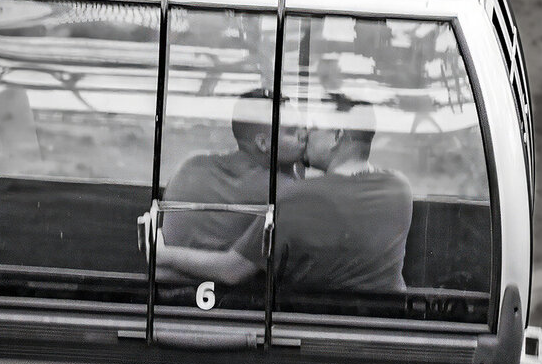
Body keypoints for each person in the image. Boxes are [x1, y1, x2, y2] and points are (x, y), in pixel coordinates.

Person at [155, 109, 413, 295]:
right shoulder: (400, 186)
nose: (306, 135)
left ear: (337, 137)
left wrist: (163, 255)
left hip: (314, 326)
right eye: (297, 130)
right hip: (384, 318)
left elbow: (232, 270)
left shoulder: (298, 197)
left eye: (313, 128)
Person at [160, 96, 306, 254]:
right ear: (263, 144)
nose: (304, 136)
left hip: (171, 272)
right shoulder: (279, 188)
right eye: (292, 131)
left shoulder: (192, 165)